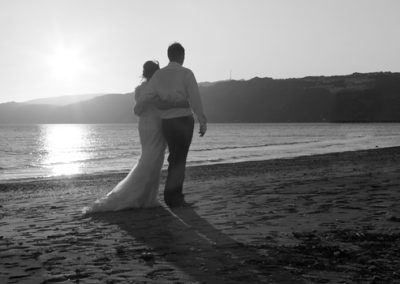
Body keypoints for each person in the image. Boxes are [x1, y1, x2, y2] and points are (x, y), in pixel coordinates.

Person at [83, 60, 189, 213]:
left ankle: (147, 198)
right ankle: (140, 196)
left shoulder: (139, 89)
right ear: (156, 72)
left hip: (144, 126)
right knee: (152, 159)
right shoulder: (157, 88)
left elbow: (139, 109)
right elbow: (155, 106)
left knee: (149, 157)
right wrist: (181, 103)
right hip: (156, 126)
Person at [147, 42, 207, 207]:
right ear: (182, 56)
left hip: (166, 122)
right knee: (180, 158)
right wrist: (202, 120)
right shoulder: (186, 73)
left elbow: (149, 95)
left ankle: (172, 194)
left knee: (175, 156)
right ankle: (173, 196)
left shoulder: (158, 76)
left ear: (169, 56)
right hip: (183, 119)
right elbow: (195, 98)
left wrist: (165, 104)